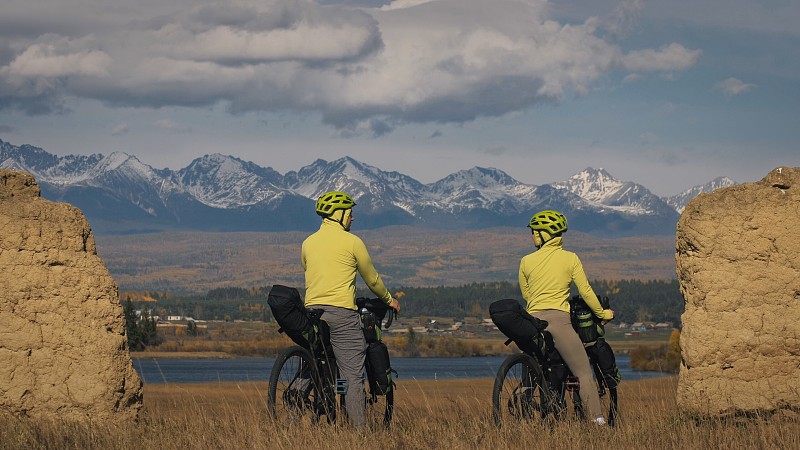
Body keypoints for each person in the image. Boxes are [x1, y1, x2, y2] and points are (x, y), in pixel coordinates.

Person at [301, 190, 400, 428]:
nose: (353, 218)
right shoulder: (353, 242)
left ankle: (298, 392)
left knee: (316, 361)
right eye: (350, 213)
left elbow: (308, 268)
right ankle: (359, 434)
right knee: (352, 375)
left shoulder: (308, 242)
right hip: (342, 314)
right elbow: (372, 279)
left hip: (311, 313)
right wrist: (389, 299)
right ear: (339, 214)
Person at [518, 210, 614, 426]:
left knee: (532, 369)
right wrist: (603, 314)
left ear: (545, 235)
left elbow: (526, 294)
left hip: (531, 321)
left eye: (535, 232)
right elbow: (586, 292)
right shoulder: (570, 258)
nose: (532, 236)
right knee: (583, 373)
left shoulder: (526, 261)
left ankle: (526, 407)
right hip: (558, 321)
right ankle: (598, 425)